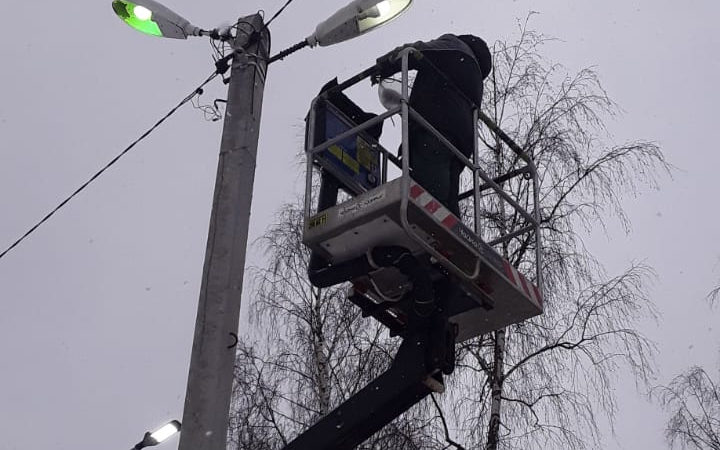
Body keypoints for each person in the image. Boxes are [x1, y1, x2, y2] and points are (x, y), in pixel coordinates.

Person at [375, 34, 492, 217]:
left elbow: (415, 51)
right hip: (460, 146)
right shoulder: (475, 80)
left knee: (426, 202)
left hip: (434, 132)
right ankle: (453, 240)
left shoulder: (456, 47)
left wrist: (385, 65)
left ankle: (428, 229)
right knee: (446, 201)